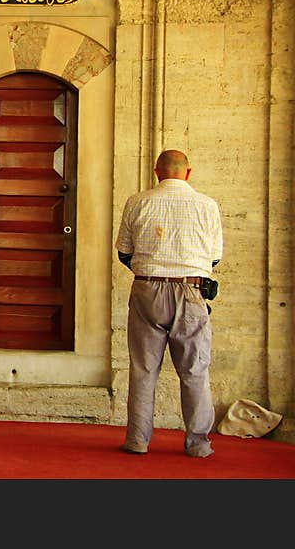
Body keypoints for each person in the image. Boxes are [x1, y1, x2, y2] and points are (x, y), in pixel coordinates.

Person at [114, 149, 223, 458]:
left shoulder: (138, 202)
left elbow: (124, 252)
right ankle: (198, 444)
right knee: (194, 370)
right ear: (188, 173)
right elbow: (215, 256)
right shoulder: (207, 206)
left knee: (143, 368)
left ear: (156, 172)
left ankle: (137, 440)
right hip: (191, 291)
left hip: (147, 289)